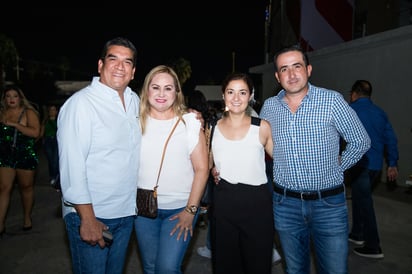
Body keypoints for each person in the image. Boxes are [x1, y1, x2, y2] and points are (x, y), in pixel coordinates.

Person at [259, 45, 371, 274]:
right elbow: (254, 144)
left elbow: (360, 140)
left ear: (308, 69)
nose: (291, 74)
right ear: (277, 77)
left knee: (334, 270)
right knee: (294, 270)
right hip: (285, 205)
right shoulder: (270, 107)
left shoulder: (332, 101)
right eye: (284, 69)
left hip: (328, 205)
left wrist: (339, 166)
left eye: (297, 66)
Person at [57, 37, 141, 274]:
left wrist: (190, 115)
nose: (119, 66)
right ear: (100, 65)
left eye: (127, 62)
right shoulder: (81, 105)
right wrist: (88, 219)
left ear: (133, 72)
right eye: (113, 59)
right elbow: (72, 167)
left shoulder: (135, 102)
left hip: (126, 214)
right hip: (94, 215)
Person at [134, 65, 209, 274]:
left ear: (177, 92)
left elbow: (202, 169)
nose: (161, 94)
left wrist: (190, 211)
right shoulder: (134, 122)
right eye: (155, 87)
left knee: (167, 268)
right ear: (146, 90)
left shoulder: (190, 123)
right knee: (150, 267)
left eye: (168, 88)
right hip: (143, 209)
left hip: (180, 210)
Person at [211, 72, 274, 274]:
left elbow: (283, 163)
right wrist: (212, 169)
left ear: (250, 95)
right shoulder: (212, 128)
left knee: (258, 264)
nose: (236, 98)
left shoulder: (262, 127)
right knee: (225, 265)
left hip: (257, 205)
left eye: (242, 92)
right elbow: (205, 164)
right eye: (231, 92)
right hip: (223, 204)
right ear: (223, 95)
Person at [347, 79, 399, 259]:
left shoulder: (350, 111)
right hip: (375, 166)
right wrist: (392, 163)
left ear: (354, 94)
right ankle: (357, 234)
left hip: (359, 165)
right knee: (360, 198)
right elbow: (391, 139)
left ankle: (373, 246)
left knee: (365, 204)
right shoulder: (380, 113)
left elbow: (338, 137)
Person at [0, 85, 41, 237]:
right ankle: (0, 223)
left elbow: (35, 133)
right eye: (8, 96)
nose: (11, 99)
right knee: (4, 188)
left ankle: (27, 218)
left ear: (20, 98)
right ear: (4, 99)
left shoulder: (28, 112)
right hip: (5, 156)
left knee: (26, 187)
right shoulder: (2, 113)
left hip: (25, 154)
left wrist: (15, 124)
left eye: (14, 96)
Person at [40, 104, 60, 190]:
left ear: (56, 111)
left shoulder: (59, 120)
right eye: (50, 110)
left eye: (54, 109)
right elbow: (41, 133)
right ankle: (53, 176)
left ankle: (56, 178)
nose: (52, 111)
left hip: (56, 141)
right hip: (48, 141)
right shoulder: (45, 121)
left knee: (55, 160)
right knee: (51, 160)